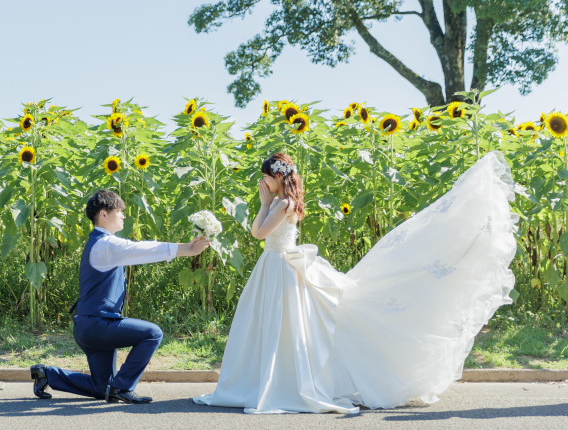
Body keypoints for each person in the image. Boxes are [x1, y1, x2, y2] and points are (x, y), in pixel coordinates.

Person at [194, 151, 517, 414]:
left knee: (288, 324)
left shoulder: (283, 204)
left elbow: (258, 233)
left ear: (278, 177)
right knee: (276, 325)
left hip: (281, 267)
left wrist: (264, 204)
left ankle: (285, 380)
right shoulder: (282, 202)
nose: (262, 183)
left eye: (265, 177)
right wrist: (265, 204)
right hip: (275, 267)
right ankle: (271, 376)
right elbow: (261, 233)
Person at [31, 189, 210, 404]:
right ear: (104, 215)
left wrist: (188, 248)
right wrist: (188, 250)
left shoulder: (104, 243)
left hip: (91, 325)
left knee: (102, 388)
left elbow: (139, 249)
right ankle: (123, 388)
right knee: (152, 333)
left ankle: (46, 374)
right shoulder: (106, 244)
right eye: (119, 211)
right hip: (96, 325)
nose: (123, 215)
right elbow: (143, 249)